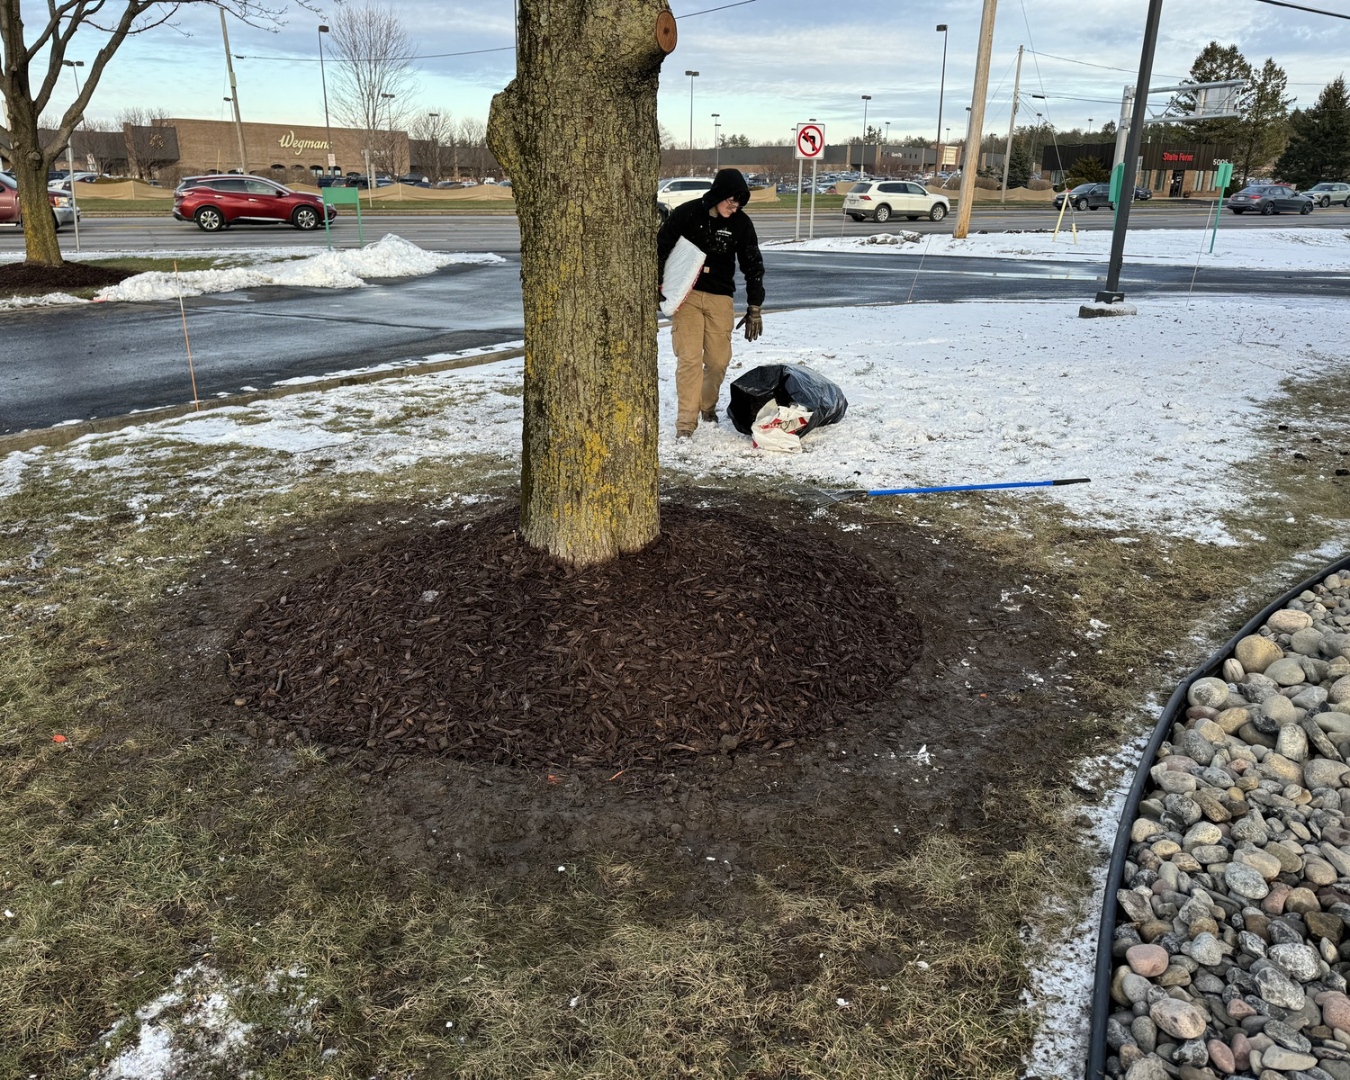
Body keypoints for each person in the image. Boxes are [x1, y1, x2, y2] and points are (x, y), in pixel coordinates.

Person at [657, 167, 765, 439]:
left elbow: (753, 265)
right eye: (731, 199)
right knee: (689, 359)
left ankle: (707, 406)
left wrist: (755, 307)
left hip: (720, 298)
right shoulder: (687, 213)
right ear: (718, 194)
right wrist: (657, 284)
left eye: (739, 201)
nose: (735, 206)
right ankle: (685, 424)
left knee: (718, 361)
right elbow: (661, 247)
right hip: (687, 296)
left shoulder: (741, 223)